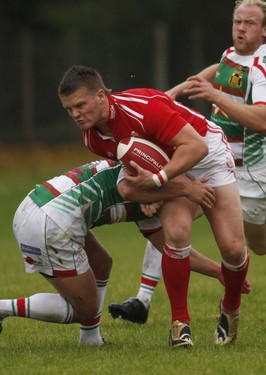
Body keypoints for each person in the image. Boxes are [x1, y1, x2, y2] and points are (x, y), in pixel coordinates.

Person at [58, 66, 249, 347]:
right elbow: (140, 165)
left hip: (204, 151)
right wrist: (153, 191)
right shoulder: (93, 137)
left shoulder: (142, 108)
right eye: (68, 109)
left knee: (232, 248)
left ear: (100, 95)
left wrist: (158, 181)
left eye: (80, 105)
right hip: (171, 167)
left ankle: (230, 307)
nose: (75, 114)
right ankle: (180, 325)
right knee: (177, 231)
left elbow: (196, 148)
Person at [0, 159, 218, 345]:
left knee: (101, 263)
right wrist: (221, 272)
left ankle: (90, 339)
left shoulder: (141, 165)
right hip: (52, 224)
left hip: (37, 203)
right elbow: (175, 251)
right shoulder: (150, 192)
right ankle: (3, 308)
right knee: (84, 308)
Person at [167, 0, 266, 256]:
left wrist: (216, 96)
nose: (241, 28)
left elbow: (263, 121)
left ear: (264, 30)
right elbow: (221, 66)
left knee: (258, 245)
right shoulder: (231, 54)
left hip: (251, 174)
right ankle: (143, 296)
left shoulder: (261, 67)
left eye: (250, 23)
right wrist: (177, 91)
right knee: (173, 216)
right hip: (217, 162)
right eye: (237, 22)